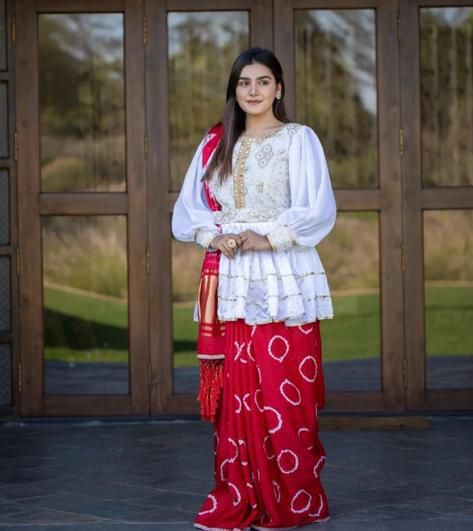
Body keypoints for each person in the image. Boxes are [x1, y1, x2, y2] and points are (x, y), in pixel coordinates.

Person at [172, 47, 336, 531]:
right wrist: (213, 234)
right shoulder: (215, 143)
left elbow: (318, 207)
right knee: (241, 389)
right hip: (234, 276)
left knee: (287, 386)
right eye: (245, 83)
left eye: (263, 82)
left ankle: (293, 494)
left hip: (284, 273)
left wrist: (270, 237)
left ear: (278, 88)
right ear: (235, 90)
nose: (254, 91)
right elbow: (189, 210)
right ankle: (239, 490)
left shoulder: (299, 140)